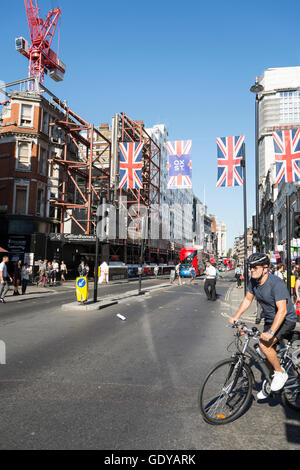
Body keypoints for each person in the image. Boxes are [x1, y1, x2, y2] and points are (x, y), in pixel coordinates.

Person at [229, 253, 297, 400]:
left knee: (265, 345)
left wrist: (271, 332)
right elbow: (247, 300)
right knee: (265, 352)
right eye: (250, 267)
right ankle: (270, 381)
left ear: (265, 268)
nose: (251, 270)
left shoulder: (276, 283)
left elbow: (283, 310)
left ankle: (280, 373)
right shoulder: (253, 282)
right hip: (270, 319)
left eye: (255, 267)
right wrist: (236, 316)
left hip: (286, 319)